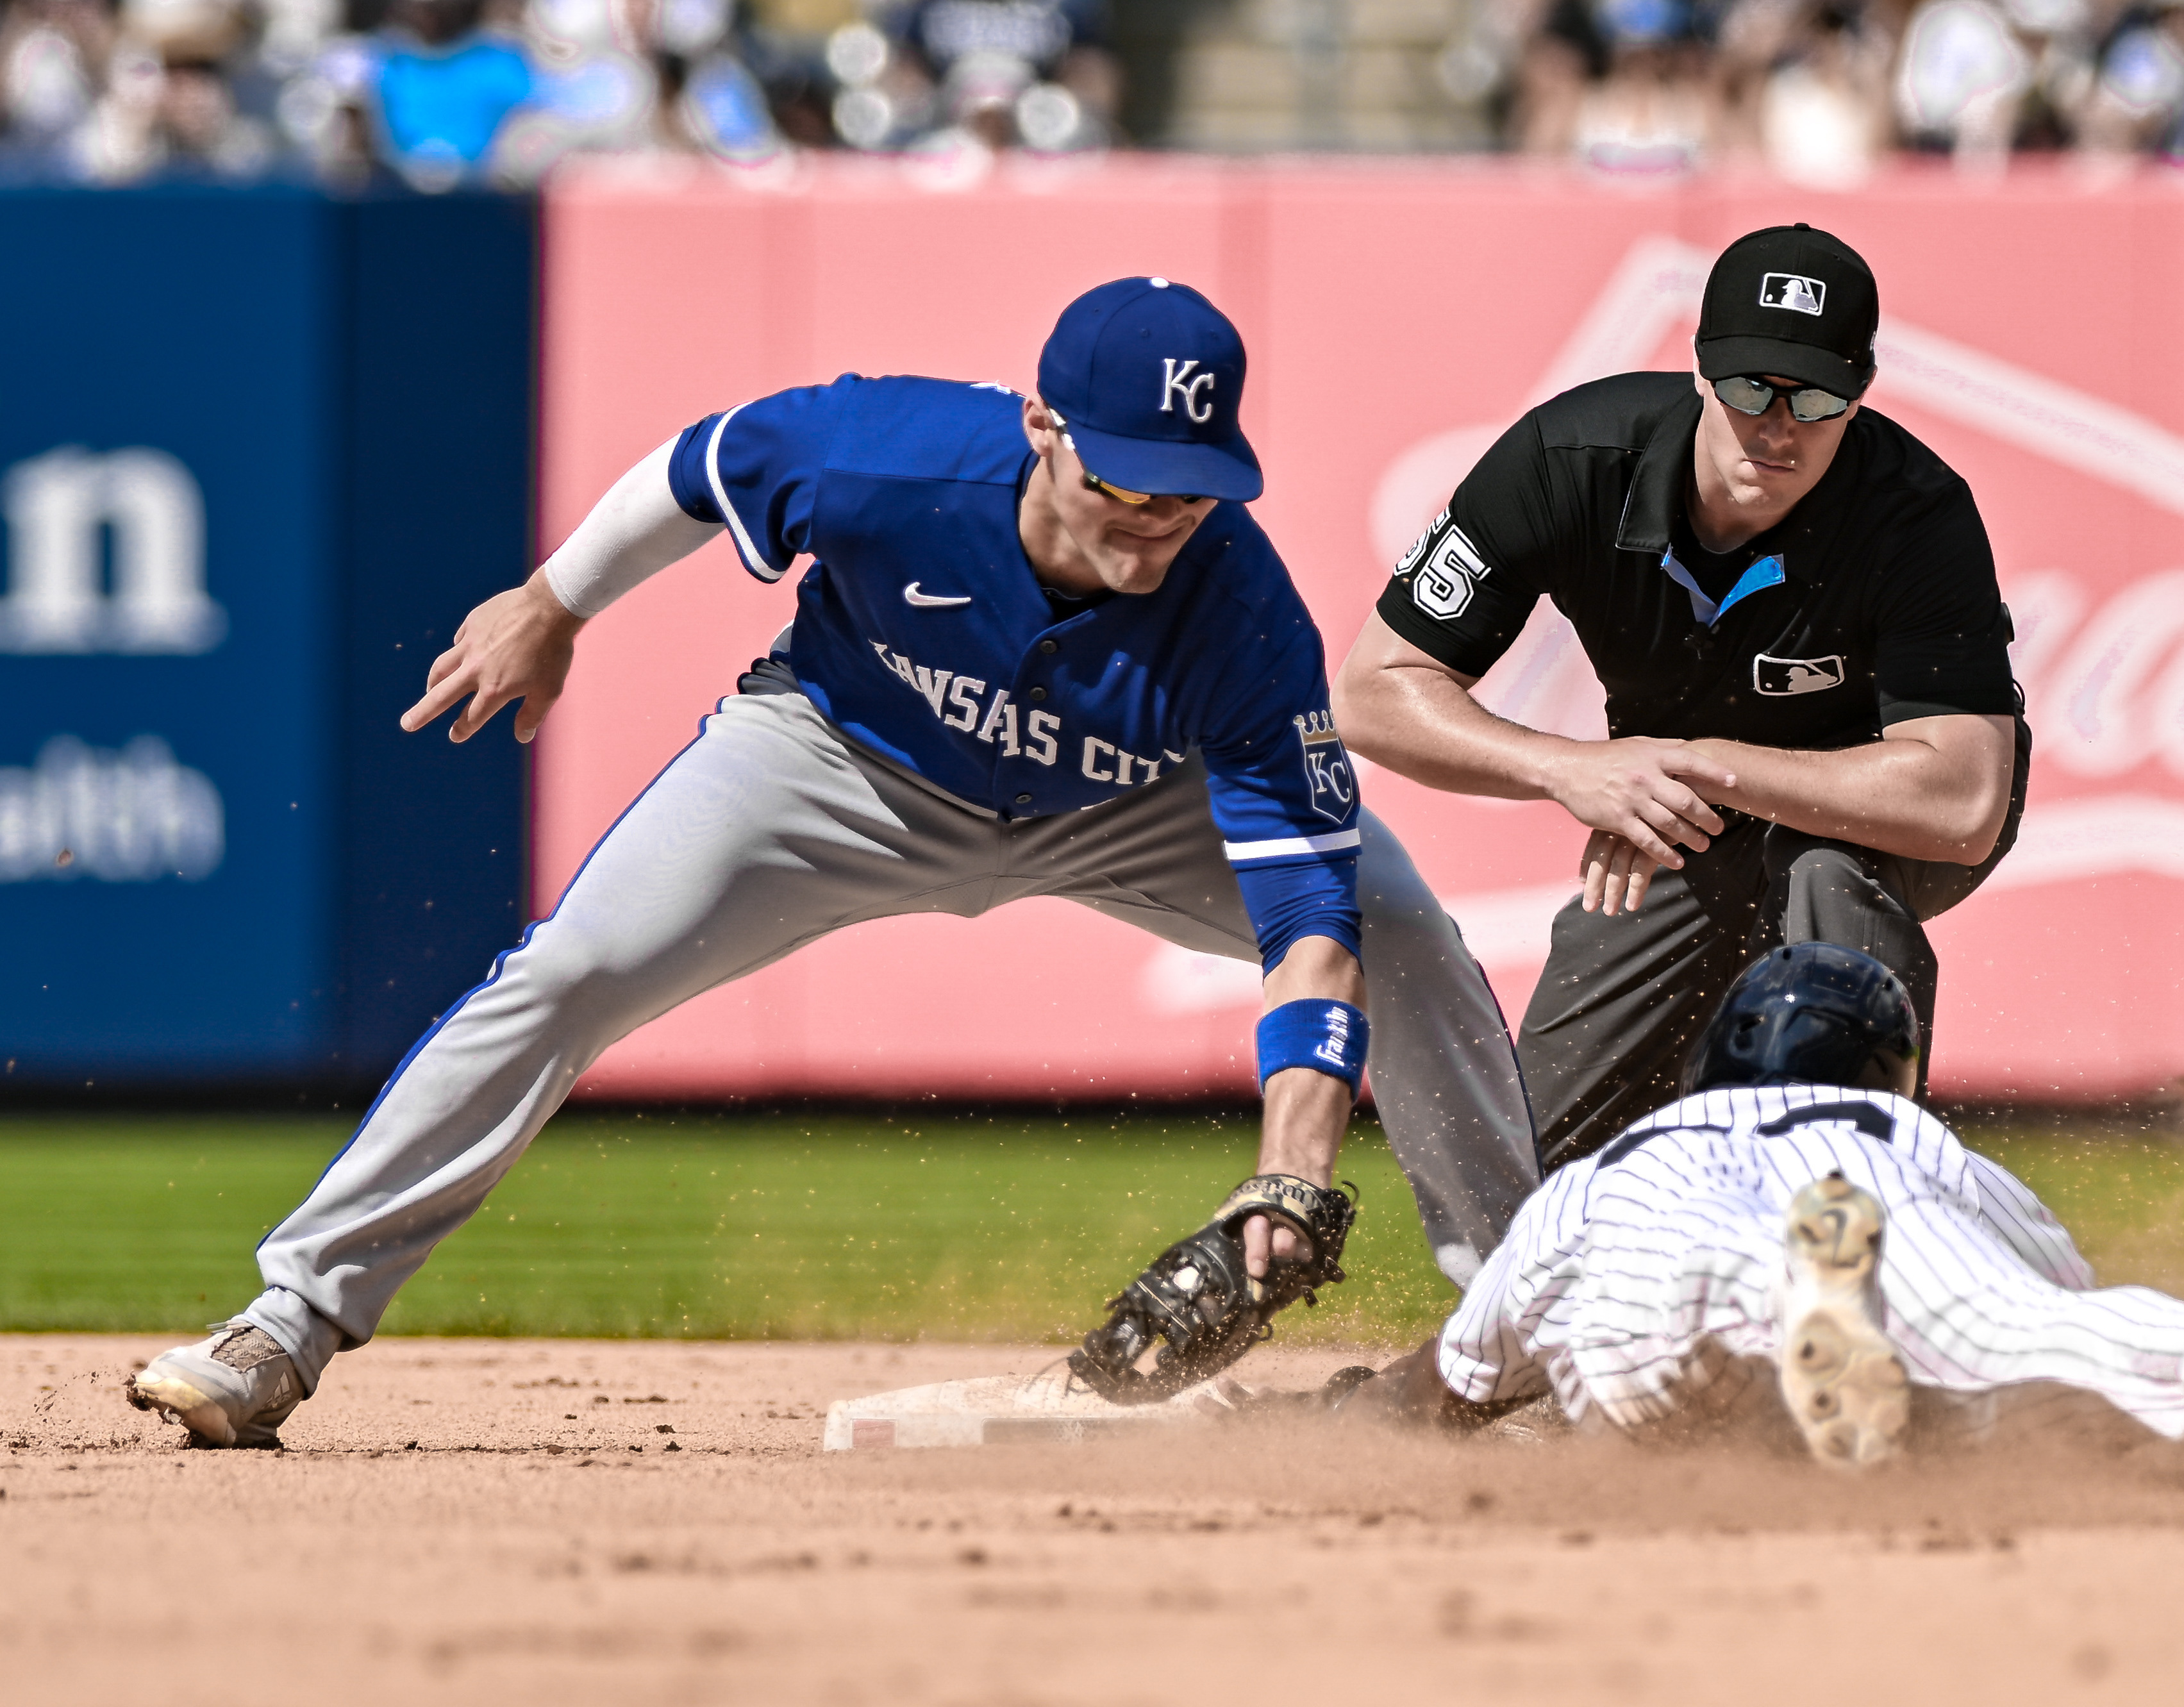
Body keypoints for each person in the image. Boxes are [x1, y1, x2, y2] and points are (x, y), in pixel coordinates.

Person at [126, 276, 1538, 1449]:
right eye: (1122, 479)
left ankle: (1521, 1350)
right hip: (843, 759)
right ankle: (285, 1323)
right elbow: (699, 467)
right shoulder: (890, 457)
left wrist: (1289, 1170)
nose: (1151, 522)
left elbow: (1310, 921)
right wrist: (553, 602)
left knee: (1403, 933)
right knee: (572, 970)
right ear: (1042, 423)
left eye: (1185, 494)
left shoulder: (1240, 607)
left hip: (1129, 804)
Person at [1333, 222, 2026, 1172]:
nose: (1777, 425)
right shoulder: (1564, 460)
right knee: (1528, 1161)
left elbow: (1962, 802)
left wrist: (1690, 765)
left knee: (1828, 880)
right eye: (1750, 387)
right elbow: (1374, 693)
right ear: (1700, 370)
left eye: (1816, 396)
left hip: (1863, 808)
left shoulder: (1918, 513)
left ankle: (1855, 1226)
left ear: (1860, 396)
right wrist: (1574, 769)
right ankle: (1513, 1313)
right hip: (1683, 805)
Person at [1347, 944, 2184, 1495]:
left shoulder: (1604, 1170)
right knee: (2032, 1352)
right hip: (1874, 1197)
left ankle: (1786, 1309)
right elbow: (2050, 1307)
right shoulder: (1915, 1140)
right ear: (1887, 1066)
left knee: (1647, 1363)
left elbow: (1452, 1383)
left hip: (1651, 1245)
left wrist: (1353, 1417)